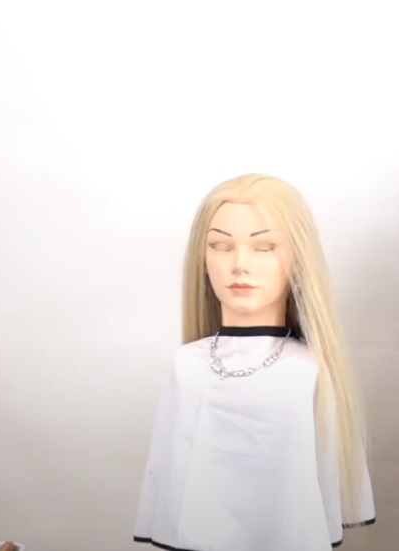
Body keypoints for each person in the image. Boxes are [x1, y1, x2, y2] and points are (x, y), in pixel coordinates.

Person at [133, 173, 375, 551]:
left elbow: (313, 495)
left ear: (298, 258)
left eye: (264, 247)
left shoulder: (309, 372)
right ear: (202, 258)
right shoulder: (186, 366)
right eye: (220, 245)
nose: (239, 264)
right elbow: (171, 483)